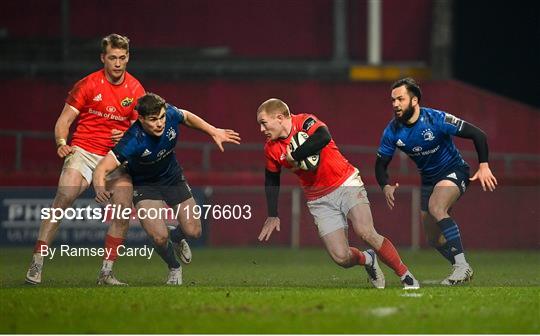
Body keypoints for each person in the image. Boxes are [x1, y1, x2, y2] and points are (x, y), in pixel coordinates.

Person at [25, 34, 150, 286]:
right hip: (83, 151)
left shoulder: (136, 89)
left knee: (124, 209)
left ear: (128, 58)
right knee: (64, 197)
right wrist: (62, 144)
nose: (117, 63)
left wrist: (127, 133)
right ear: (103, 57)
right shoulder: (87, 84)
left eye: (122, 58)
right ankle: (37, 263)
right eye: (112, 58)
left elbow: (144, 129)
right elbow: (64, 122)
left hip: (115, 159)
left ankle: (106, 272)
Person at [257, 98, 419, 289]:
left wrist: (296, 154)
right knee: (341, 257)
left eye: (263, 123)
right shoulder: (271, 148)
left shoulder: (304, 122)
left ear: (279, 118)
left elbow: (323, 136)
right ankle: (368, 259)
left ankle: (405, 275)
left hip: (346, 183)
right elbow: (271, 179)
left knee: (365, 232)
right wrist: (272, 214)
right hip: (318, 199)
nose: (261, 129)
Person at [93, 92, 241, 285]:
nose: (160, 123)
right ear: (141, 119)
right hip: (145, 185)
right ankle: (174, 268)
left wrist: (213, 131)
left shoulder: (169, 113)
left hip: (172, 178)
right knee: (159, 237)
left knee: (194, 231)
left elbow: (186, 116)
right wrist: (99, 188)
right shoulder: (133, 140)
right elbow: (102, 167)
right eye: (153, 120)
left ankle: (177, 237)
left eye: (162, 117)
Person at [375, 77, 498, 285]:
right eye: (393, 100)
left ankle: (460, 267)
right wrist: (385, 185)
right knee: (434, 239)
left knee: (436, 206)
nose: (395, 104)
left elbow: (478, 134)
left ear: (414, 101)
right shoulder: (392, 131)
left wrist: (484, 165)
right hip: (429, 180)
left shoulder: (436, 119)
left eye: (400, 99)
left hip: (454, 170)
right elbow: (380, 164)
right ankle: (463, 266)